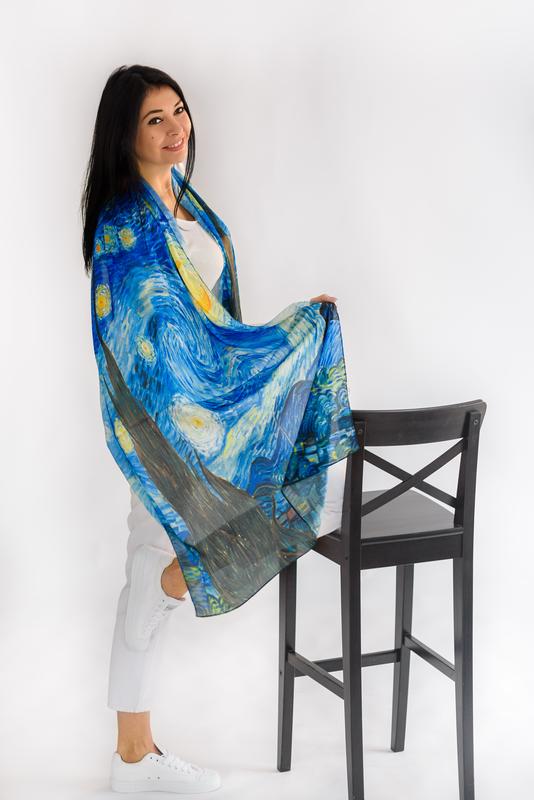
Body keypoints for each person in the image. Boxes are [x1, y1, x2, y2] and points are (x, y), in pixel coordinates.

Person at [81, 64, 347, 794]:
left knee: (156, 573)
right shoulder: (126, 227)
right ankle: (133, 758)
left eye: (179, 111)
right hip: (163, 431)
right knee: (150, 567)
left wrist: (291, 330)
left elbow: (214, 325)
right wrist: (267, 349)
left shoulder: (188, 205)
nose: (176, 129)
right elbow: (142, 341)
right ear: (125, 135)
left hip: (210, 422)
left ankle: (133, 756)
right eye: (155, 120)